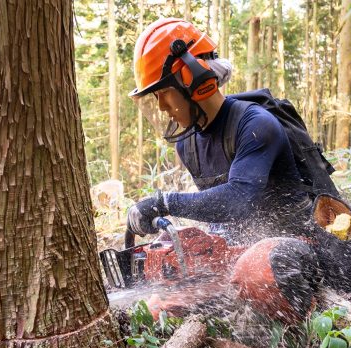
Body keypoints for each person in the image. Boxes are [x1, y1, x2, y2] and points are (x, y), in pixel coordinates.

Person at [127, 17, 312, 245]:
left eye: (164, 93)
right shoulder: (188, 144)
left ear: (193, 78)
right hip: (244, 250)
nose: (161, 107)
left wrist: (165, 203)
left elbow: (238, 199)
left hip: (296, 248)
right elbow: (222, 218)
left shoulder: (256, 125)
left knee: (263, 263)